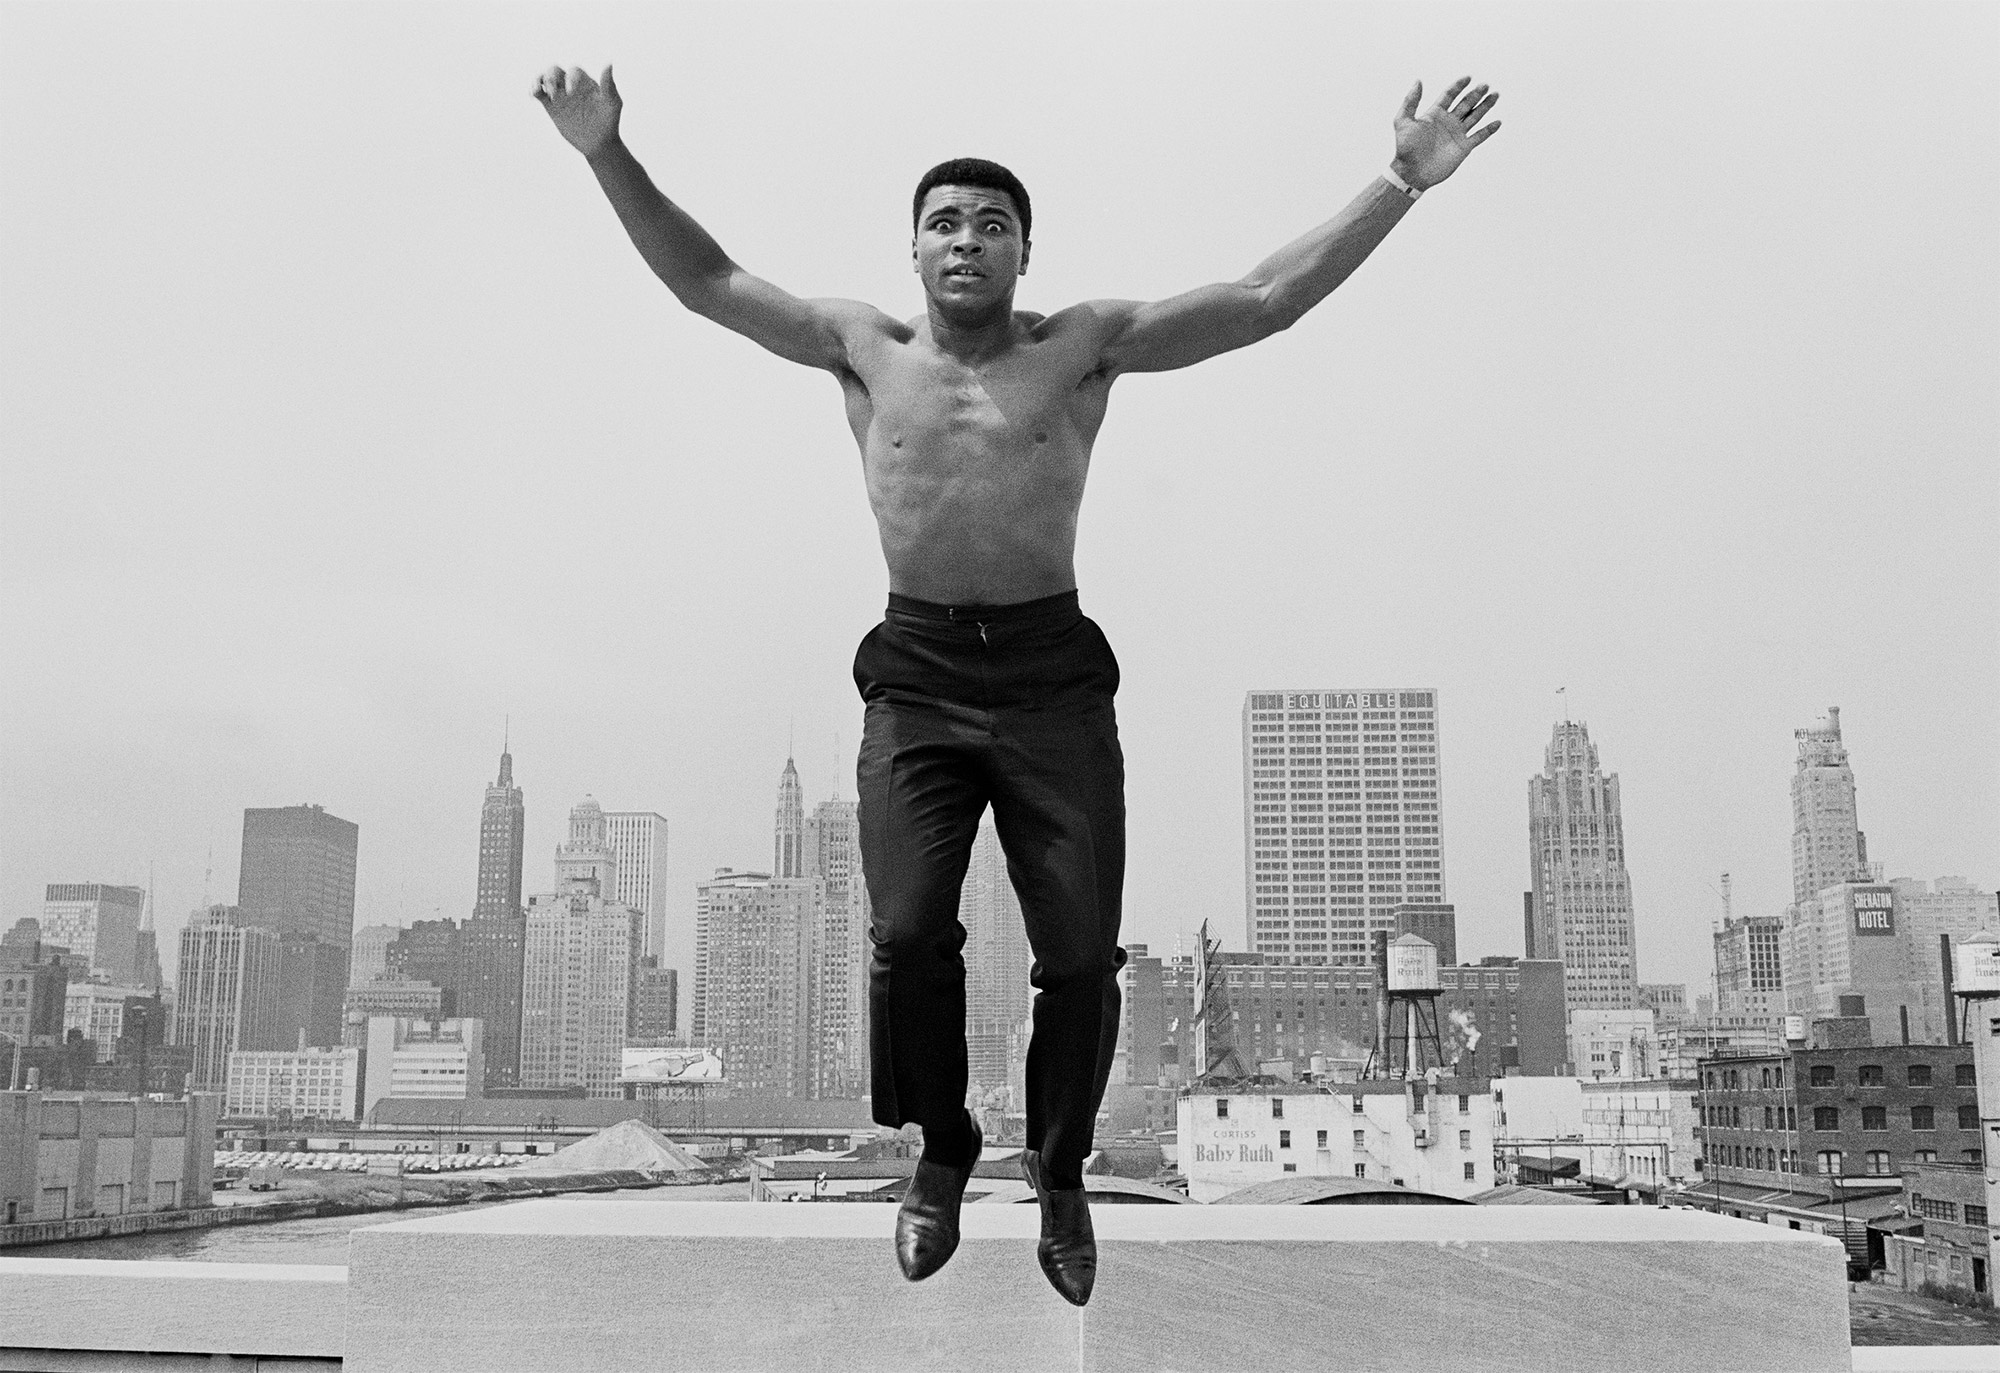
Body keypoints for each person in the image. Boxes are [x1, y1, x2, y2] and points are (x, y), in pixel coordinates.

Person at [534, 64, 1500, 1306]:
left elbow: (1261, 300)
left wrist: (1399, 182)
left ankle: (1056, 1166)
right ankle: (939, 1151)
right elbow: (706, 280)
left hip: (1050, 677)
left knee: (1081, 959)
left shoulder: (1078, 349)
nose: (967, 241)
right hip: (917, 677)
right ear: (915, 248)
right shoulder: (861, 348)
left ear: (1023, 253)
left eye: (992, 225)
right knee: (900, 934)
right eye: (945, 222)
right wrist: (606, 151)